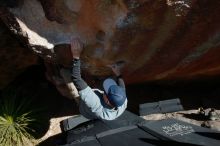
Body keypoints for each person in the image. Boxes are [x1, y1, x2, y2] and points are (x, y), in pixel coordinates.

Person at [70, 37, 127, 120]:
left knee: (67, 76)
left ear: (107, 101)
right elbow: (122, 88)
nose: (105, 89)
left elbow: (76, 78)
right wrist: (118, 73)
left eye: (107, 91)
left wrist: (76, 55)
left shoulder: (96, 103)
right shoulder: (122, 101)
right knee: (110, 79)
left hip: (86, 111)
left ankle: (78, 100)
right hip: (104, 102)